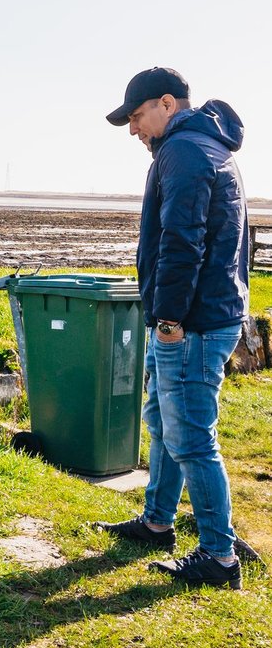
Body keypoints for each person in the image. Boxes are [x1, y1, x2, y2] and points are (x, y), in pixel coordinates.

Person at [94, 67, 250, 589]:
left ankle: (219, 557)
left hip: (192, 324)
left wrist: (169, 319)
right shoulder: (209, 146)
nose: (135, 130)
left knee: (191, 439)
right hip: (206, 315)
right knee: (163, 421)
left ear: (167, 103)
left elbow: (184, 242)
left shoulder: (184, 151)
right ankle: (158, 521)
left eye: (137, 118)